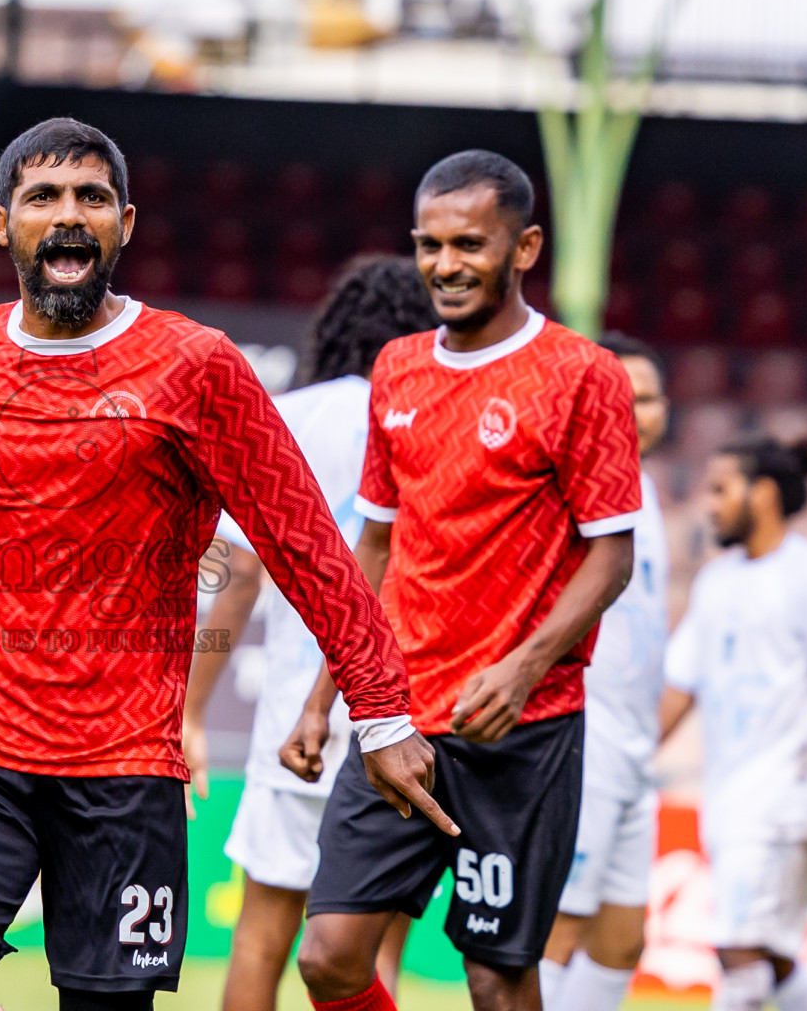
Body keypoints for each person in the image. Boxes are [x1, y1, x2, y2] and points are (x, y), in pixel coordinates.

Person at [0, 117, 454, 1011]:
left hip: (121, 759)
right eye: (43, 198)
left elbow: (304, 545)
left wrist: (380, 711)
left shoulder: (196, 366)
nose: (68, 217)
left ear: (126, 223)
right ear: (2, 224)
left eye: (91, 198)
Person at [283, 149, 642, 1011]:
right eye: (429, 245)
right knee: (329, 956)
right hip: (398, 721)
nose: (445, 265)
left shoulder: (581, 375)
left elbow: (611, 556)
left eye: (469, 245)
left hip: (521, 731)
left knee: (497, 975)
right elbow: (373, 551)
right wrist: (319, 700)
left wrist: (524, 667)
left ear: (524, 248)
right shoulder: (399, 370)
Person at [181, 254, 439, 1011]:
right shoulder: (427, 419)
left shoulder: (289, 417)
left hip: (298, 718)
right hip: (405, 717)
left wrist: (191, 712)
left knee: (263, 933)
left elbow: (233, 585)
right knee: (374, 947)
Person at [659, 437, 807, 1011]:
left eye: (721, 489)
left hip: (785, 797)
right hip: (732, 797)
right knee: (774, 956)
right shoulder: (717, 582)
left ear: (761, 494)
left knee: (739, 953)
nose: (709, 504)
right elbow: (678, 688)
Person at [538, 333, 671, 1011]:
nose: (638, 411)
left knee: (622, 939)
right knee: (559, 927)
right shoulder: (568, 481)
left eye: (649, 399)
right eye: (626, 396)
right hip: (580, 738)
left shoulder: (645, 489)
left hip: (633, 750)